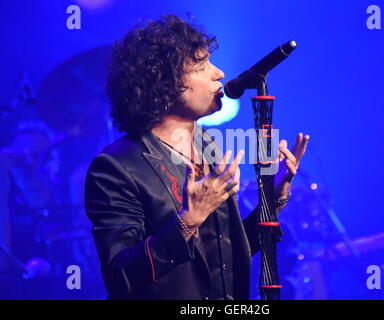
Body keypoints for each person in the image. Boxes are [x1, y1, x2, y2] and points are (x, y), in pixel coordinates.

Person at [84, 14, 309, 300]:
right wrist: (189, 220)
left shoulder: (208, 148)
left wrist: (273, 199)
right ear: (162, 82)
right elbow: (120, 276)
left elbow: (228, 256)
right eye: (202, 66)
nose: (219, 73)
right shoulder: (116, 167)